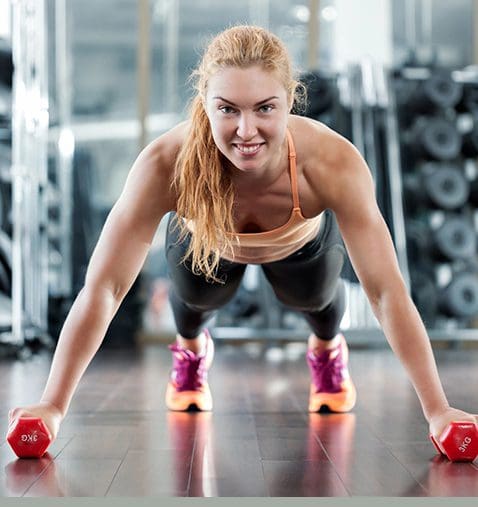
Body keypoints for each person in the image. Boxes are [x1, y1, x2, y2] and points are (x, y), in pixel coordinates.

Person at [8, 25, 477, 455]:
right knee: (195, 297)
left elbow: (385, 290)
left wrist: (438, 410)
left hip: (301, 247)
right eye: (227, 110)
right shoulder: (163, 165)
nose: (246, 131)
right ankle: (190, 351)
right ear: (206, 103)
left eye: (265, 108)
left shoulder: (331, 161)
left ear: (290, 101)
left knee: (314, 296)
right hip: (209, 245)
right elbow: (104, 288)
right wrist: (52, 404)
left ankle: (328, 350)